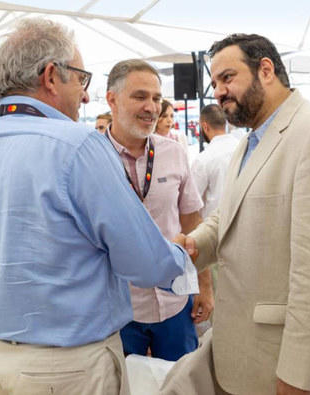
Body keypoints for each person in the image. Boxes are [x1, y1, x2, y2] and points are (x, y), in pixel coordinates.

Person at [0, 19, 190, 395]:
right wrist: (181, 255)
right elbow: (145, 263)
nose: (83, 96)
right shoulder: (79, 146)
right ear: (50, 76)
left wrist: (3, 291)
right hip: (67, 367)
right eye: (81, 79)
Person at [162, 34, 310, 395]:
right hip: (248, 353)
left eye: (227, 77)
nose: (218, 92)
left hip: (291, 367)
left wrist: (300, 377)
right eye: (215, 82)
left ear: (265, 70)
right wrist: (195, 244)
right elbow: (229, 215)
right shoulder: (250, 141)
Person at [105, 59, 212, 361]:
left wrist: (204, 286)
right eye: (140, 96)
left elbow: (193, 223)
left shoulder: (174, 152)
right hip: (119, 309)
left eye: (156, 98)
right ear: (111, 99)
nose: (151, 107)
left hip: (176, 299)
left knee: (182, 383)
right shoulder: (90, 157)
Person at [191, 104, 240, 219]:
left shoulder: (203, 160)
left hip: (213, 228)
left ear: (205, 127)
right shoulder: (242, 147)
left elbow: (192, 203)